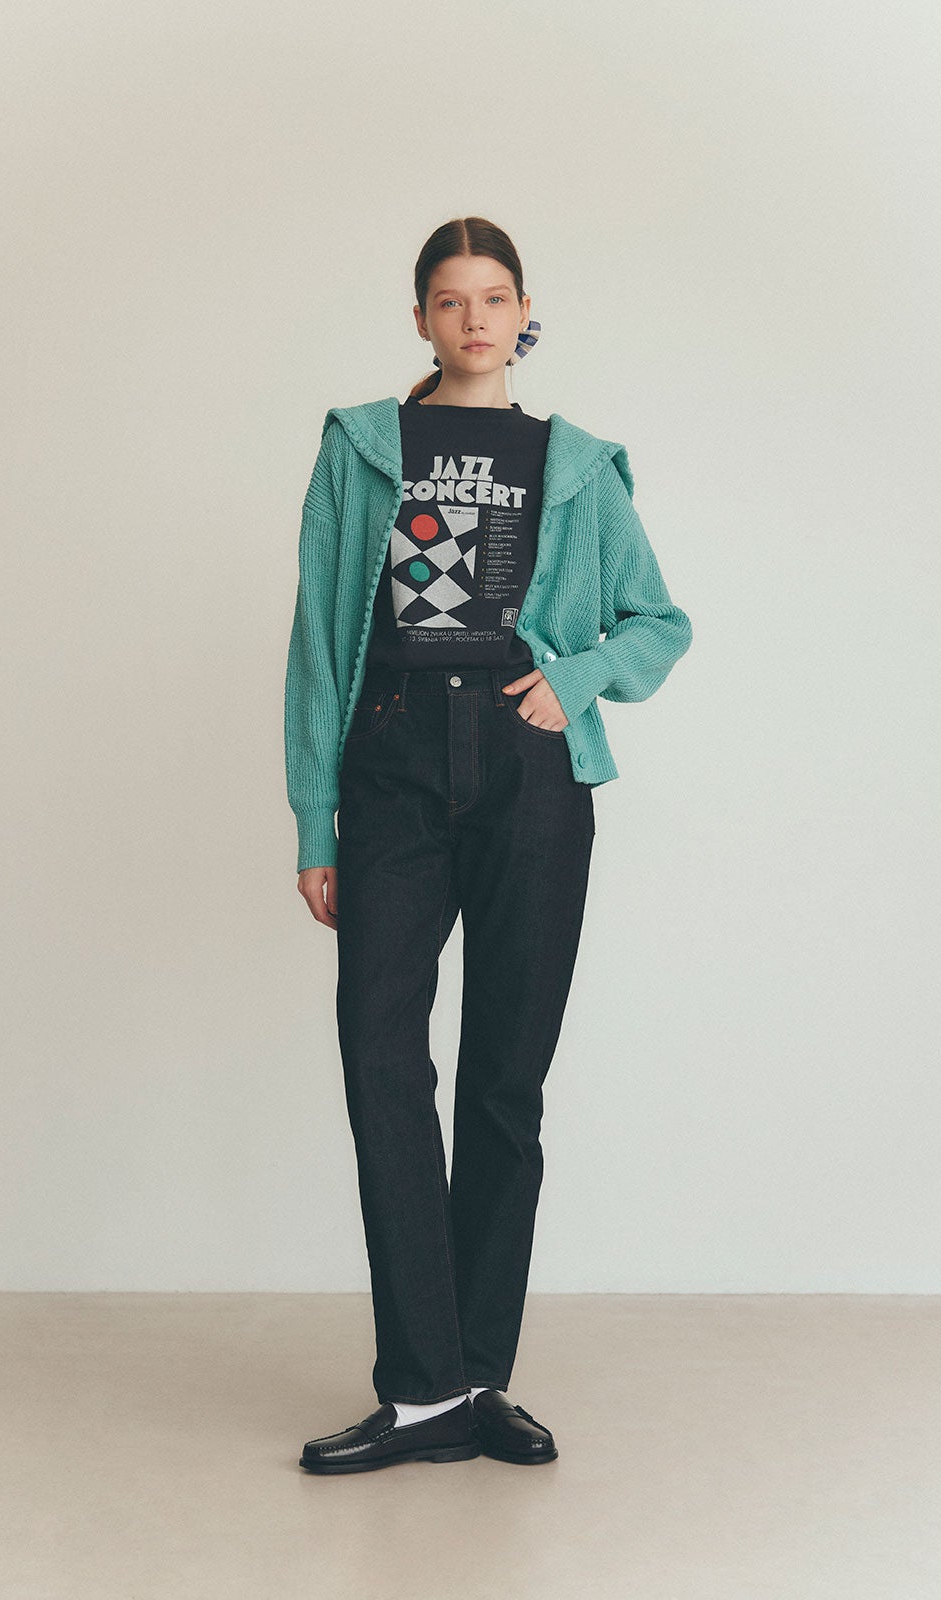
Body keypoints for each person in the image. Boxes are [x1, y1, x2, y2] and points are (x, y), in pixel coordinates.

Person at [284, 216, 694, 1474]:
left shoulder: (574, 465)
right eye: (450, 300)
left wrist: (572, 681)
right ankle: (419, 1389)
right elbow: (318, 639)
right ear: (419, 318)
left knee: (504, 1081)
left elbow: (658, 622)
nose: (474, 319)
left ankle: (474, 1379)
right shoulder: (363, 447)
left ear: (524, 314)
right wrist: (314, 813)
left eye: (495, 297)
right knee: (380, 1059)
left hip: (527, 774)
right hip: (393, 768)